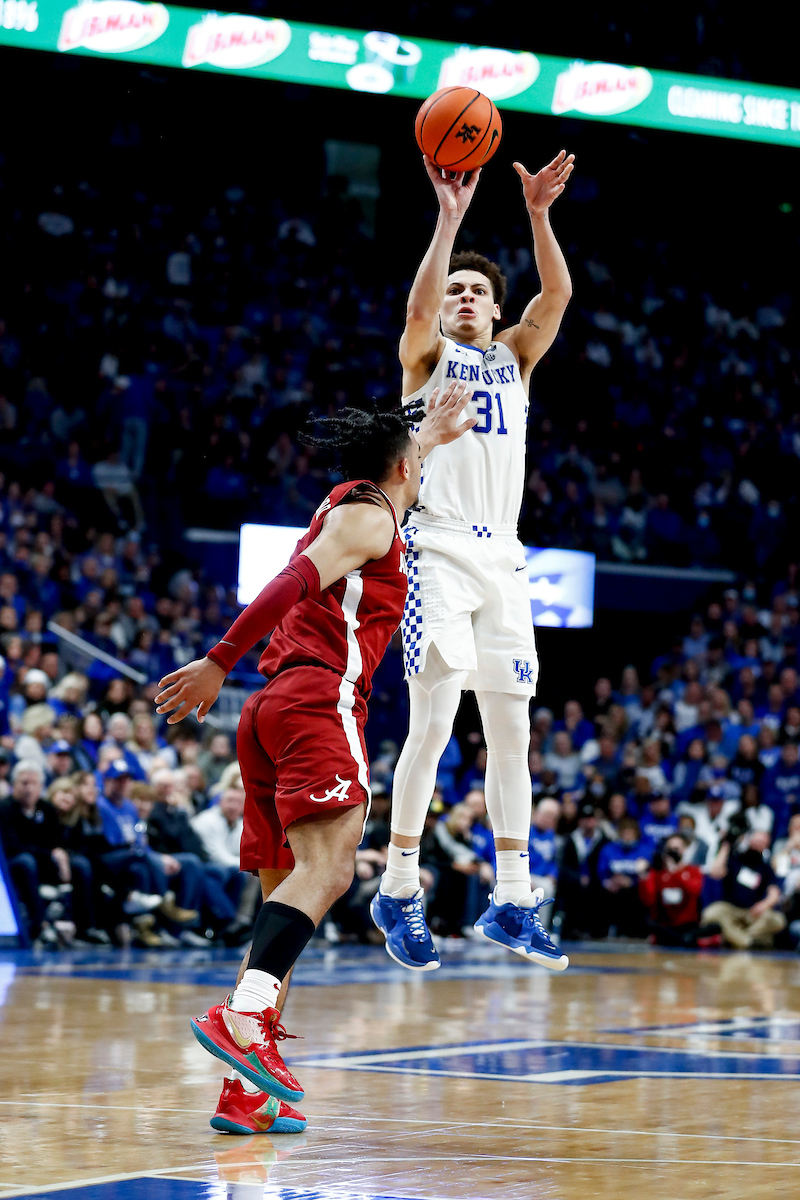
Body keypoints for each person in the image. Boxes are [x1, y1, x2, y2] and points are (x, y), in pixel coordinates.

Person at [153, 386, 474, 1135]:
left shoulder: (355, 502)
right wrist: (219, 659)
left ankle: (245, 1094)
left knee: (285, 909)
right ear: (403, 469)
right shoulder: (370, 516)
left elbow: (400, 467)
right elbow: (291, 582)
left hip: (276, 711)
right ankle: (243, 1016)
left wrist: (431, 434)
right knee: (330, 872)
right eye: (417, 458)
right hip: (318, 700)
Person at [373, 147, 574, 973]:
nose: (462, 297)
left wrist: (538, 215)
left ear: (495, 310)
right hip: (437, 548)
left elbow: (555, 298)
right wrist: (448, 221)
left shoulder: (515, 359)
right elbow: (418, 310)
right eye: (456, 287)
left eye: (476, 291)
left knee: (512, 731)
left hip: (505, 559)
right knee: (434, 721)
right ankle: (398, 885)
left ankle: (514, 898)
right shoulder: (428, 358)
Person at [702, 830, 787, 949]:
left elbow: (774, 893)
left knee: (778, 920)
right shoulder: (735, 859)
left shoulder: (766, 868)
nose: (758, 845)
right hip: (730, 908)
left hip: (752, 911)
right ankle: (747, 941)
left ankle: (737, 938)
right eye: (757, 841)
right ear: (749, 840)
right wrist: (726, 845)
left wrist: (764, 905)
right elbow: (715, 872)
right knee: (710, 913)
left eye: (762, 843)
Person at [556, 802, 607, 940]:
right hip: (574, 882)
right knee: (571, 890)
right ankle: (572, 930)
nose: (588, 823)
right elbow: (563, 866)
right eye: (585, 819)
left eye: (591, 819)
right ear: (580, 821)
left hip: (597, 881)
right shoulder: (571, 839)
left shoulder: (603, 840)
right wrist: (578, 877)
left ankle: (597, 931)